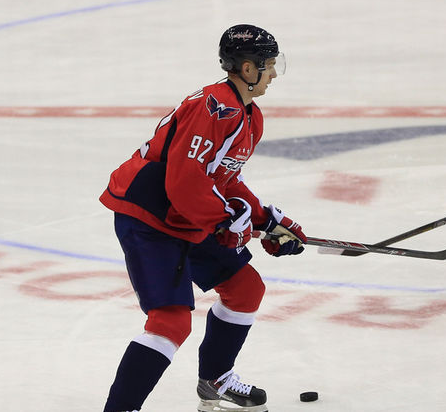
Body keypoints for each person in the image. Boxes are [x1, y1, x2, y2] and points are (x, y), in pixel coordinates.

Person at [99, 24, 307, 412]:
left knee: (245, 288)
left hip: (186, 215)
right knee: (171, 321)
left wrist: (265, 219)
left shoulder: (249, 115)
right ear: (248, 68)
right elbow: (185, 181)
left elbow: (223, 179)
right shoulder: (213, 108)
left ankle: (215, 380)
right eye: (269, 65)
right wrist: (226, 222)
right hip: (150, 218)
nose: (274, 74)